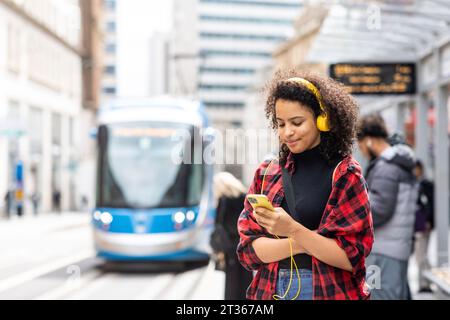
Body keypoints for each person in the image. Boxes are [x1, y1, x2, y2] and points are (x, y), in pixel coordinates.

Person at [237, 71, 374, 300]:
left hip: (326, 291)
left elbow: (352, 257)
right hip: (271, 291)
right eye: (280, 124)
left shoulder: (345, 175)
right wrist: (304, 243)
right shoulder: (266, 173)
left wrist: (292, 229)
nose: (287, 132)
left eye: (297, 122)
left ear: (323, 119)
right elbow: (248, 251)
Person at [357, 114, 418, 300]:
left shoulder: (385, 168)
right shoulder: (399, 164)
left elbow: (380, 210)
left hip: (383, 250)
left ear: (368, 141)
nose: (361, 151)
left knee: (380, 295)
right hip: (397, 246)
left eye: (360, 145)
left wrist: (356, 200)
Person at [211, 172, 253, 300]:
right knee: (246, 277)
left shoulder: (223, 200)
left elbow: (219, 224)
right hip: (245, 243)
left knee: (232, 281)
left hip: (230, 246)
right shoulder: (244, 197)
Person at [413, 159, 434, 293]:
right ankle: (425, 280)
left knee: (421, 255)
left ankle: (426, 281)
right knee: (420, 255)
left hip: (424, 225)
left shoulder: (425, 184)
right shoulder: (415, 183)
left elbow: (431, 205)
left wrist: (429, 221)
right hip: (417, 225)